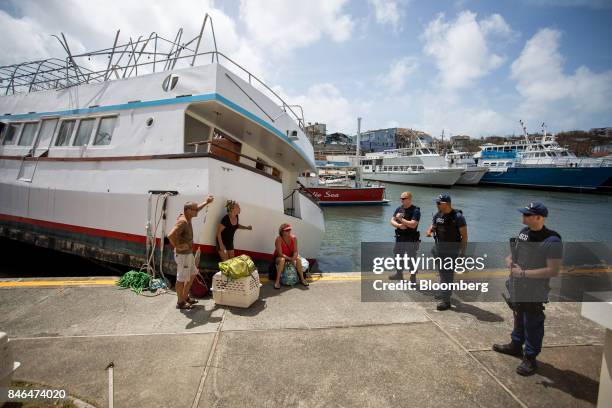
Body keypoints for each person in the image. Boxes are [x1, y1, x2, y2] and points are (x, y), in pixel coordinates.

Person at [493, 202, 562, 376]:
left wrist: (523, 274)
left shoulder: (552, 240)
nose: (523, 217)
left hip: (534, 288)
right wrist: (509, 259)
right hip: (518, 284)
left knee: (532, 321)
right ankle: (516, 345)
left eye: (527, 215)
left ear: (539, 217)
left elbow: (553, 270)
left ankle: (530, 358)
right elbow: (514, 253)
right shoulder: (524, 233)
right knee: (518, 315)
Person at [168, 196, 214, 310]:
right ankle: (180, 302)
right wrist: (178, 246)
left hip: (188, 254)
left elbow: (197, 208)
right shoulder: (183, 222)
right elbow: (170, 235)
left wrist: (206, 202)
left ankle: (185, 296)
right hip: (183, 255)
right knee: (181, 279)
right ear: (188, 211)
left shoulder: (188, 217)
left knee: (193, 273)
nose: (197, 210)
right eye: (194, 209)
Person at [425, 193, 468, 311]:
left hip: (452, 250)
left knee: (447, 275)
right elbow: (433, 226)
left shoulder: (458, 217)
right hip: (439, 249)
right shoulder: (438, 215)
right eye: (436, 203)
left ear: (447, 204)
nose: (437, 205)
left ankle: (446, 300)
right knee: (442, 272)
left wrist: (462, 254)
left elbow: (464, 237)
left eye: (439, 203)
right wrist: (429, 231)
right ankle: (443, 292)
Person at [389, 191, 420, 286]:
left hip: (411, 238)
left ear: (409, 199)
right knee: (398, 256)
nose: (401, 200)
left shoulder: (415, 211)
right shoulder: (399, 209)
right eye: (401, 198)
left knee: (411, 257)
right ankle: (399, 274)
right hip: (399, 237)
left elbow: (413, 224)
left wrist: (401, 220)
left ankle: (413, 277)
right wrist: (399, 225)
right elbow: (391, 221)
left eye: (403, 199)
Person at [273, 223, 309, 289]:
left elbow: (295, 251)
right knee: (282, 260)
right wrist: (290, 259)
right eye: (287, 230)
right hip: (280, 257)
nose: (289, 231)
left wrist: (294, 257)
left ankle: (302, 279)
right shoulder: (279, 239)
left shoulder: (294, 238)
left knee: (298, 259)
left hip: (290, 256)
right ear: (282, 231)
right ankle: (277, 281)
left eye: (289, 229)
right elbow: (280, 254)